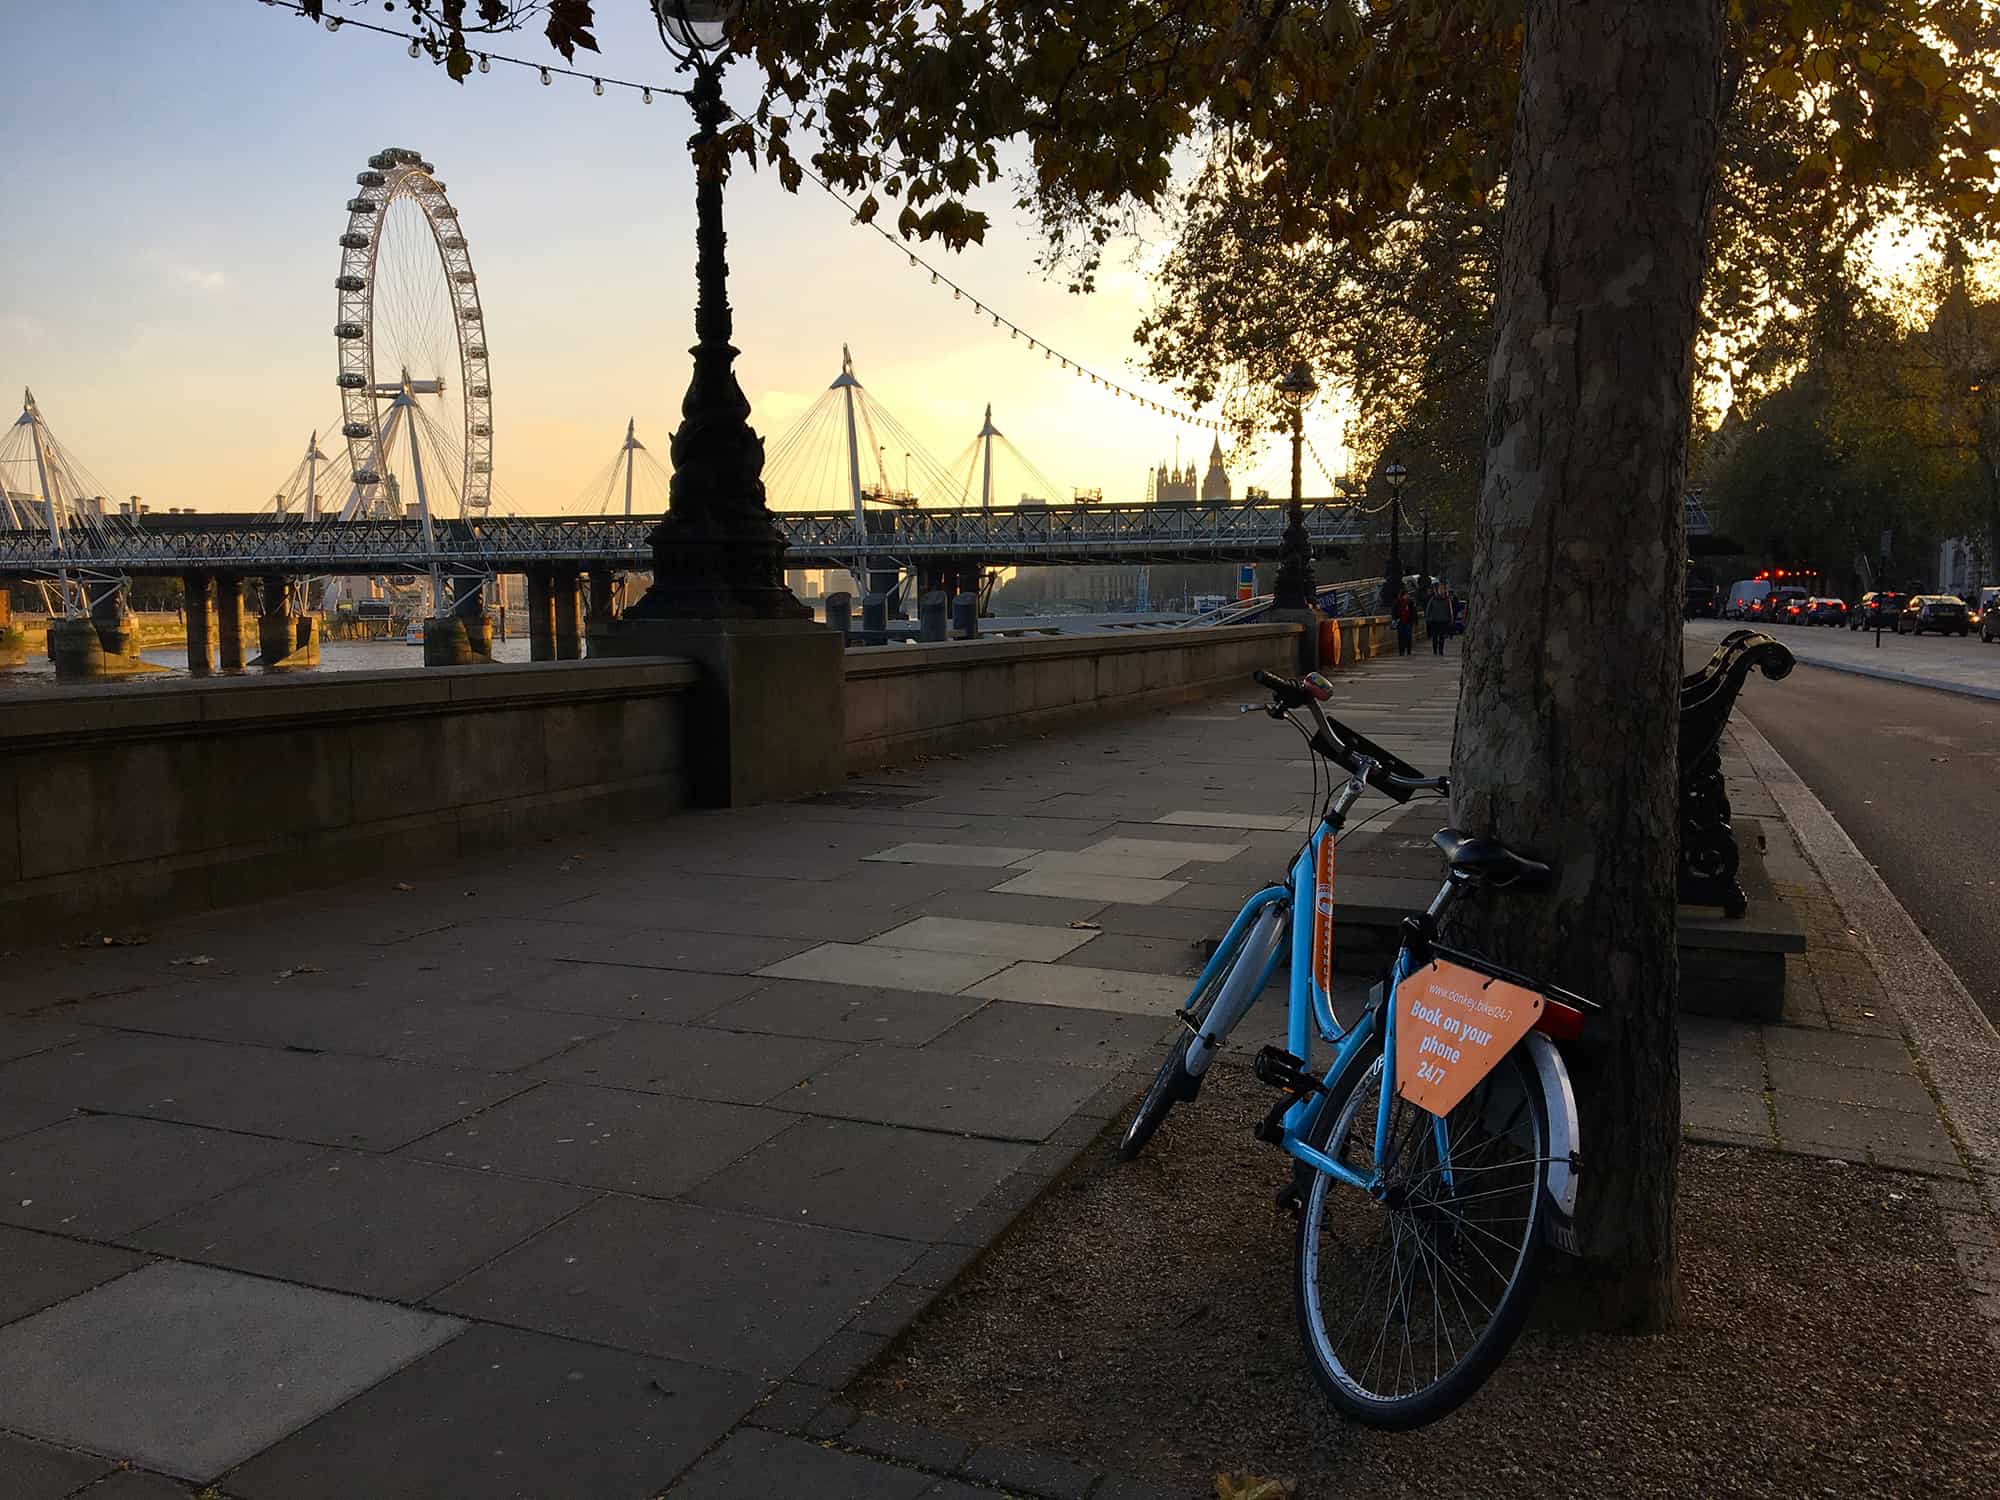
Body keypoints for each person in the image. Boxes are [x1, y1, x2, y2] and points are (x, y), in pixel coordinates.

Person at [1425, 583, 1454, 655]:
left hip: (1443, 621)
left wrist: (1450, 619)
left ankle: (1441, 650)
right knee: (1434, 637)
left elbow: (1450, 610)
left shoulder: (1447, 599)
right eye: (1440, 589)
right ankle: (1435, 650)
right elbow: (1428, 609)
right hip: (1434, 621)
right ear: (1437, 590)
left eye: (1443, 589)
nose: (1441, 591)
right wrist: (1428, 618)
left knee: (1442, 637)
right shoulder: (1433, 599)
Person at [1392, 587, 1415, 655]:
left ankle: (1408, 650)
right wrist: (1395, 619)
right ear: (1402, 595)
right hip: (1400, 622)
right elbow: (1393, 612)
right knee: (1401, 637)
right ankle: (1401, 651)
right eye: (1406, 594)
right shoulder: (1397, 602)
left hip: (1408, 621)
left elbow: (1413, 612)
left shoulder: (1410, 602)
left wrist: (1412, 619)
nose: (1407, 596)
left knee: (1408, 636)